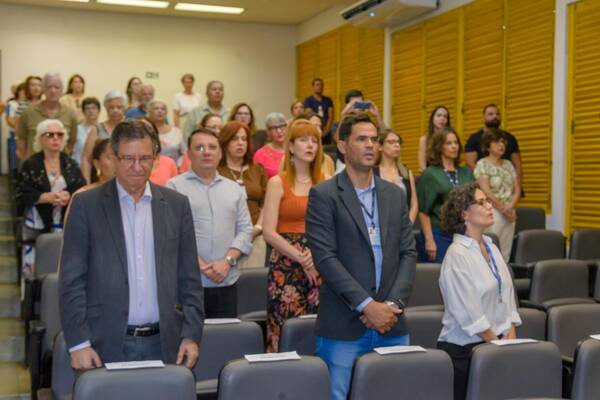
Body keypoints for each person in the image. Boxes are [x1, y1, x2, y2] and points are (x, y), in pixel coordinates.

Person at [59, 119, 204, 369]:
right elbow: (71, 280)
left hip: (166, 343)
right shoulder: (86, 205)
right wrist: (79, 343)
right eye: (128, 158)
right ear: (114, 158)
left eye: (144, 158)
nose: (137, 167)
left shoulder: (177, 205)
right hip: (103, 343)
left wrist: (191, 334)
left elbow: (189, 278)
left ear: (155, 159)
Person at [306, 112, 417, 400]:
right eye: (361, 139)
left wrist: (391, 305)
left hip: (392, 324)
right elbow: (325, 258)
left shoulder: (394, 194)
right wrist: (367, 306)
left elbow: (408, 252)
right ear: (343, 145)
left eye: (374, 140)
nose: (370, 145)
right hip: (343, 325)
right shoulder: (324, 195)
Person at [437, 182, 521, 400]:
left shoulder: (491, 247)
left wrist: (510, 334)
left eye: (488, 201)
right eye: (482, 202)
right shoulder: (457, 255)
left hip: (496, 345)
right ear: (464, 213)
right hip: (465, 352)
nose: (489, 206)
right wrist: (498, 345)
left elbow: (507, 296)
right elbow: (470, 316)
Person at [167, 128, 252, 318]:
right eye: (199, 147)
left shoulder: (234, 189)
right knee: (188, 336)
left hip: (226, 281)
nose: (206, 152)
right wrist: (201, 265)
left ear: (220, 153)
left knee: (224, 335)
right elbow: (171, 233)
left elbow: (246, 229)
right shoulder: (173, 187)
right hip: (188, 283)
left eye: (212, 147)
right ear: (189, 154)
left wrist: (227, 262)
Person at [263, 119, 326, 352]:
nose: (310, 145)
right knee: (284, 326)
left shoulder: (325, 181)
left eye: (314, 141)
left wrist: (314, 257)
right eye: (303, 140)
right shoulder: (277, 182)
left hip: (319, 259)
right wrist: (302, 258)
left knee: (317, 326)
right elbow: (268, 232)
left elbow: (331, 227)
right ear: (290, 146)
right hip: (286, 263)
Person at [16, 119, 86, 233]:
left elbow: (81, 189)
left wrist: (69, 196)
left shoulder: (71, 163)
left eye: (60, 134)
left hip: (67, 222)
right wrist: (45, 197)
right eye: (50, 134)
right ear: (40, 139)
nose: (55, 138)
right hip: (37, 224)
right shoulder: (30, 164)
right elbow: (21, 195)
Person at [417, 127, 474, 263]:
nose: (454, 146)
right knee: (440, 273)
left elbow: (474, 204)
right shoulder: (430, 174)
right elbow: (423, 212)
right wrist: (429, 240)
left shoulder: (466, 172)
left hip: (464, 233)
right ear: (439, 147)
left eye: (456, 142)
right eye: (449, 143)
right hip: (439, 234)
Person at [218, 121, 268, 268]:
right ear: (225, 142)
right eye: (235, 139)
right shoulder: (216, 171)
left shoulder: (257, 169)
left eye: (244, 139)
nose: (240, 143)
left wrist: (258, 228)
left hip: (256, 236)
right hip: (225, 237)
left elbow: (266, 204)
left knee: (253, 279)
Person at [474, 129, 521, 261]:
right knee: (491, 249)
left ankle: (503, 273)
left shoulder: (508, 164)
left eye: (503, 142)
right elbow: (486, 191)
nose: (501, 145)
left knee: (505, 253)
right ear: (487, 146)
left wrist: (510, 208)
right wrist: (503, 209)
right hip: (492, 211)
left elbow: (517, 189)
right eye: (496, 142)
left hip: (509, 212)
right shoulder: (482, 164)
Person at [17, 73, 78, 159]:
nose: (53, 90)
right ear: (43, 89)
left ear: (62, 90)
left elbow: (71, 143)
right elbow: (21, 143)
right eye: (49, 87)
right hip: (34, 165)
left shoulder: (70, 114)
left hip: (60, 165)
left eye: (57, 87)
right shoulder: (28, 113)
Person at [464, 104, 523, 187]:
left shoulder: (510, 138)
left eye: (497, 114)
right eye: (490, 114)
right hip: (483, 186)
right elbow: (470, 163)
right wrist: (487, 180)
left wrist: (518, 186)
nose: (495, 116)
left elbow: (517, 164)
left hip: (508, 186)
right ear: (483, 118)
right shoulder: (474, 138)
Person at [81, 90, 127, 182]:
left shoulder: (131, 129)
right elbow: (86, 159)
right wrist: (86, 183)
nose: (115, 110)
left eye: (119, 107)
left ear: (125, 109)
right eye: (111, 107)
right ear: (106, 108)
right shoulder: (96, 129)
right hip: (100, 180)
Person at [333, 89, 384, 172]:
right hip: (344, 164)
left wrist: (377, 115)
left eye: (360, 104)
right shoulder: (338, 124)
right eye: (355, 104)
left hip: (366, 164)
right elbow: (337, 139)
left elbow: (385, 137)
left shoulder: (369, 124)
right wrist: (343, 115)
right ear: (347, 105)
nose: (358, 108)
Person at [375, 129, 418, 224]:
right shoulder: (373, 172)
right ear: (380, 147)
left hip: (404, 225)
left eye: (398, 142)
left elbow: (414, 204)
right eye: (391, 142)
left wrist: (408, 225)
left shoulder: (406, 172)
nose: (397, 145)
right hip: (380, 225)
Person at [146, 100, 185, 165]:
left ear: (166, 113)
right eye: (156, 108)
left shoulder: (176, 132)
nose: (160, 111)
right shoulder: (145, 132)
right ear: (150, 112)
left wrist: (178, 165)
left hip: (175, 168)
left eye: (163, 109)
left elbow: (185, 153)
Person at [252, 112, 287, 178]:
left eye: (282, 126)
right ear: (268, 132)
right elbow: (256, 179)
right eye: (274, 128)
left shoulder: (295, 150)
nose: (279, 131)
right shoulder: (260, 154)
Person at [418, 106, 451, 173]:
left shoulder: (450, 140)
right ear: (432, 119)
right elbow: (422, 168)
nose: (442, 118)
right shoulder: (424, 140)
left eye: (445, 116)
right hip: (429, 176)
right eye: (439, 115)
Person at [72, 97, 101, 167]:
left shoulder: (102, 129)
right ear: (83, 112)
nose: (91, 111)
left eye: (93, 108)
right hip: (78, 166)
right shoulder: (77, 129)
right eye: (87, 108)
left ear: (99, 110)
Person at [303, 78, 334, 143]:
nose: (320, 86)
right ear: (313, 87)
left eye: (321, 85)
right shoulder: (308, 100)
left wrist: (326, 131)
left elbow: (331, 116)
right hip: (313, 130)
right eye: (317, 85)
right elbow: (310, 116)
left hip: (326, 131)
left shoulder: (328, 100)